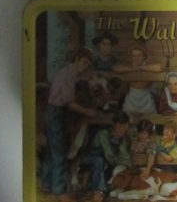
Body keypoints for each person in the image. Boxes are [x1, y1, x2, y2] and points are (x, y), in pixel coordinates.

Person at [41, 48, 97, 202]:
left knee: (51, 150)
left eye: (88, 64)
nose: (85, 66)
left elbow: (84, 77)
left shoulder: (71, 73)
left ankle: (46, 183)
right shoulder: (67, 76)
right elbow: (70, 104)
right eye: (84, 62)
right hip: (56, 113)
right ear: (77, 59)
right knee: (59, 152)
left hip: (53, 112)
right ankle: (60, 192)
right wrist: (88, 111)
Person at [81, 111, 132, 202]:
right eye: (120, 126)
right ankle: (98, 192)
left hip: (106, 164)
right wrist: (122, 162)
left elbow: (124, 156)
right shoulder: (103, 134)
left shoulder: (123, 139)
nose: (122, 129)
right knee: (99, 160)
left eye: (125, 126)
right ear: (114, 125)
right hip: (90, 160)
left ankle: (100, 188)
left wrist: (129, 167)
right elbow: (110, 156)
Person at [114, 45, 163, 114]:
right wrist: (133, 69)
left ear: (144, 57)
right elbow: (116, 68)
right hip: (131, 99)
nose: (136, 58)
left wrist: (139, 68)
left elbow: (159, 67)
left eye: (139, 55)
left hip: (146, 99)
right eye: (133, 56)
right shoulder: (128, 66)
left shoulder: (148, 66)